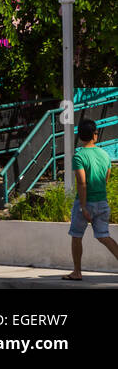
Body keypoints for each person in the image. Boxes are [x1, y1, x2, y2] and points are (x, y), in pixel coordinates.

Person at [63, 118, 118, 280]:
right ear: (95, 135)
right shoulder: (105, 154)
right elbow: (106, 178)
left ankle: (77, 272)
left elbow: (82, 182)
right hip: (102, 202)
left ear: (80, 137)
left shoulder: (79, 156)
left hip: (85, 203)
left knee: (76, 236)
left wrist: (84, 206)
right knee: (104, 236)